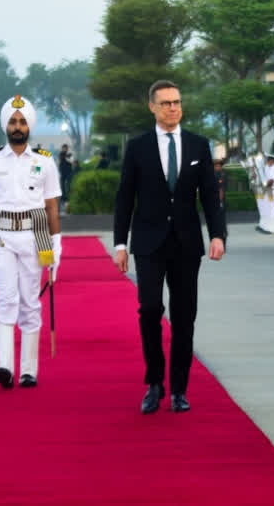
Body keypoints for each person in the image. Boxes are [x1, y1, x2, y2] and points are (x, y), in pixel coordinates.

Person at [113, 80, 226, 415]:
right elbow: (124, 199)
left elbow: (209, 196)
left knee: (184, 316)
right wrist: (121, 243)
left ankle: (179, 388)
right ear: (152, 107)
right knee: (149, 309)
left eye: (176, 102)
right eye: (165, 103)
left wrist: (218, 235)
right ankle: (154, 383)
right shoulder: (138, 147)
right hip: (148, 242)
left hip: (187, 243)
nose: (173, 108)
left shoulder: (197, 146)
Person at [0, 95, 63, 388]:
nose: (17, 126)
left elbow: (51, 206)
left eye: (22, 121)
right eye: (13, 121)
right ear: (5, 125)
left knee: (29, 302)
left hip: (34, 236)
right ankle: (4, 366)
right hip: (1, 237)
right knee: (6, 298)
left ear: (30, 126)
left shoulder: (44, 162)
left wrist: (56, 245)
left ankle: (28, 370)